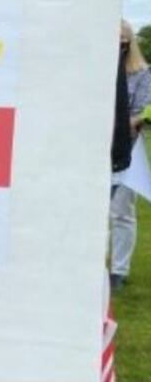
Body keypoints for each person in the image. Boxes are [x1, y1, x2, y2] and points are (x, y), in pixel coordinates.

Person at [109, 19, 151, 290]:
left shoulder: (143, 74)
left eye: (120, 40)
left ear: (128, 42)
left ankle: (118, 271)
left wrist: (123, 122)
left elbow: (145, 111)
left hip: (127, 149)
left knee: (120, 212)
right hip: (95, 148)